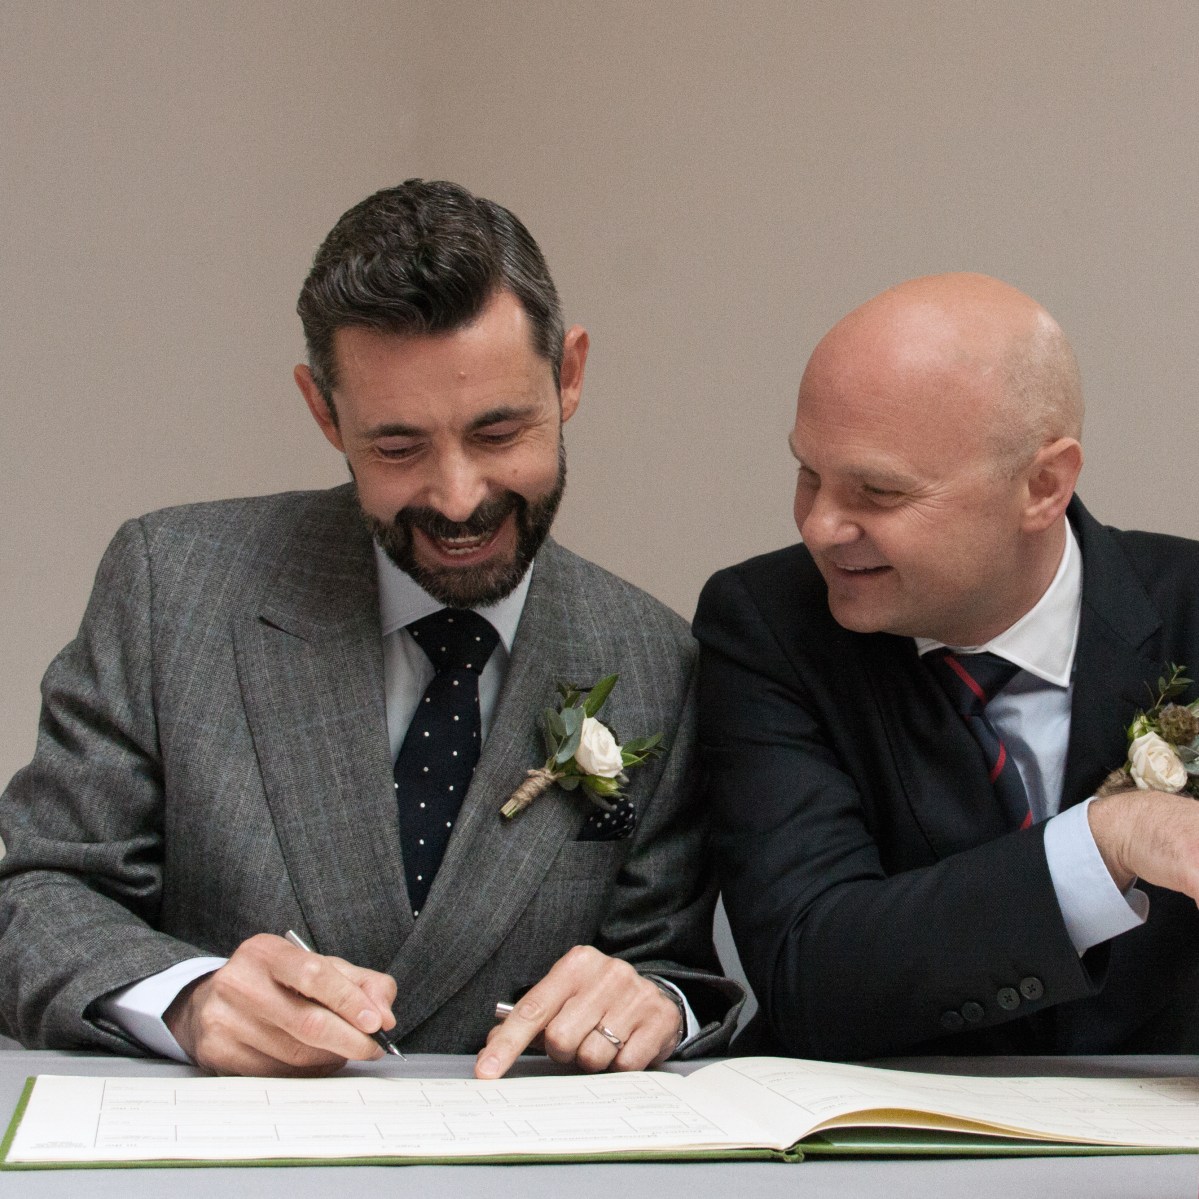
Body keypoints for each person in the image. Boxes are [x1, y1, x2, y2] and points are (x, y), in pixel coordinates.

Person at [0, 179, 740, 1078]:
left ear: (569, 375)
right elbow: (38, 897)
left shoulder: (655, 658)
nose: (457, 498)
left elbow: (670, 962)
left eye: (499, 432)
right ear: (324, 411)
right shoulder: (172, 585)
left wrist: (653, 999)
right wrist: (188, 999)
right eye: (398, 447)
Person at [694, 272, 1199, 1060]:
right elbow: (809, 969)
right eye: (808, 474)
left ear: (1042, 485)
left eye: (877, 491)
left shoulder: (1188, 606)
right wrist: (1102, 842)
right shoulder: (768, 624)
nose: (819, 526)